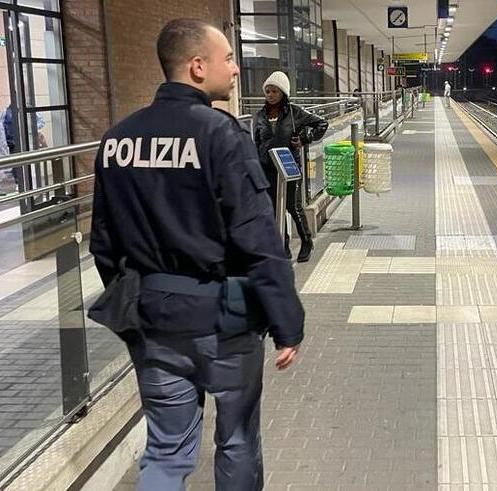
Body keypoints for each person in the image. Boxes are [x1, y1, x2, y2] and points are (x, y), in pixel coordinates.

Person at [89, 19, 304, 489]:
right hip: (224, 323)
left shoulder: (117, 139)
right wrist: (287, 322)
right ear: (197, 66)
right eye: (227, 58)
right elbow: (258, 239)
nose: (235, 68)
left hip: (154, 321)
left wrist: (137, 300)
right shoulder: (221, 135)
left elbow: (103, 243)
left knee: (166, 451)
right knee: (237, 440)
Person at [254, 71, 327, 262]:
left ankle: (306, 241)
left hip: (289, 167)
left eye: (274, 91)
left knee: (293, 206)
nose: (270, 95)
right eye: (268, 91)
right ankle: (283, 246)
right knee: (274, 209)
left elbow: (321, 124)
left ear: (283, 93)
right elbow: (257, 142)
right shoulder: (260, 116)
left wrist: (305, 138)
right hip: (268, 168)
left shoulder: (295, 113)